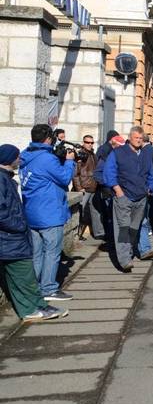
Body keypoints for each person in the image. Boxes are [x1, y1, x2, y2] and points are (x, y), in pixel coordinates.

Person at [0, 144, 69, 322]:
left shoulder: (6, 177)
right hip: (9, 239)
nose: (20, 159)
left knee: (25, 276)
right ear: (9, 159)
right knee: (23, 275)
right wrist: (19, 226)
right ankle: (30, 310)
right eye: (16, 156)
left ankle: (39, 305)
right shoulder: (1, 180)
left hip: (13, 238)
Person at [20, 124, 76, 301]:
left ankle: (33, 287)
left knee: (36, 253)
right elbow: (65, 178)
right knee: (52, 252)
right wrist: (68, 161)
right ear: (48, 139)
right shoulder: (46, 158)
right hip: (49, 211)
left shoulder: (25, 156)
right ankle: (49, 289)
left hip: (32, 211)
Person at [104, 126, 153, 272]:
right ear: (130, 138)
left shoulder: (145, 154)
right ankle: (124, 260)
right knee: (122, 229)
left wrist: (150, 187)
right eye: (136, 138)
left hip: (141, 198)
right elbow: (109, 172)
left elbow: (151, 173)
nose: (139, 141)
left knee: (134, 228)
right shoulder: (118, 153)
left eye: (141, 138)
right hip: (124, 196)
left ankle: (129, 253)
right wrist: (118, 191)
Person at [73, 134, 102, 242]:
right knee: (81, 212)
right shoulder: (81, 154)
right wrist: (79, 187)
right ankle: (77, 235)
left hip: (93, 187)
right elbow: (75, 173)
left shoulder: (93, 154)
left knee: (94, 211)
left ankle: (98, 233)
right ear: (83, 142)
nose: (89, 144)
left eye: (91, 142)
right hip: (84, 188)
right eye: (87, 142)